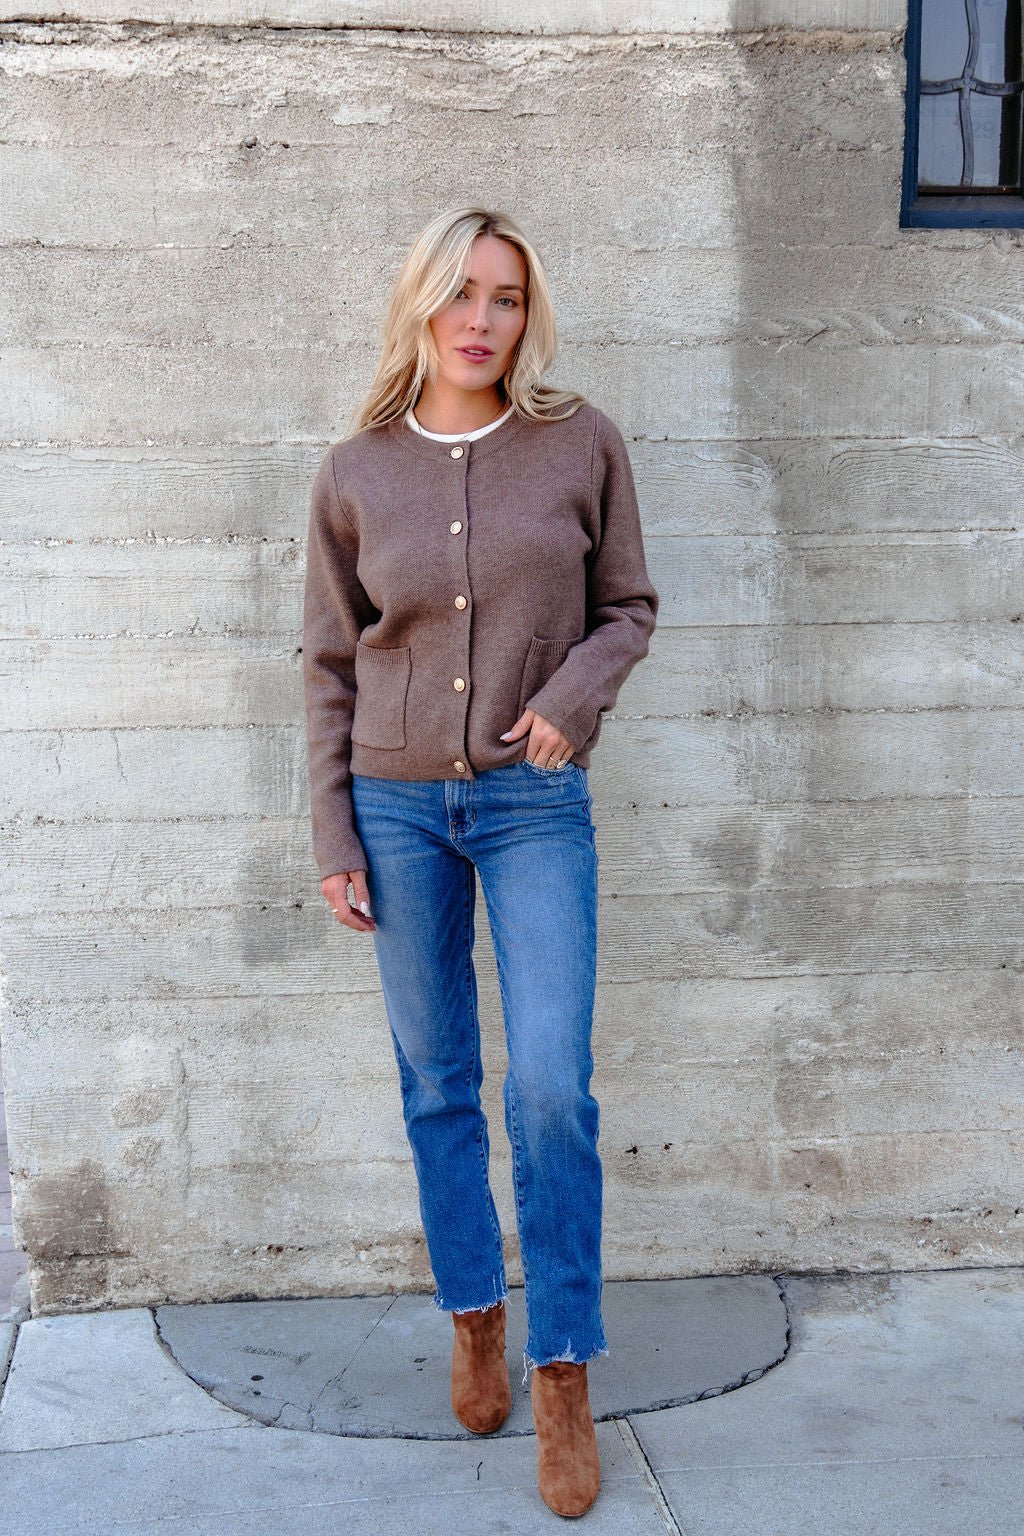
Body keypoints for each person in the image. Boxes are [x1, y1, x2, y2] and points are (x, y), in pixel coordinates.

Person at [302, 206, 658, 1519]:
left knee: (552, 1088)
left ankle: (561, 1366)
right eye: (459, 293)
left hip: (533, 804)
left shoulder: (580, 445)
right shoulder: (356, 471)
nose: (481, 319)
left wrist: (574, 698)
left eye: (505, 297)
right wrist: (335, 831)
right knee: (438, 1081)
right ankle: (473, 1318)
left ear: (527, 314)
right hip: (396, 816)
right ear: (420, 307)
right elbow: (330, 665)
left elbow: (628, 609)